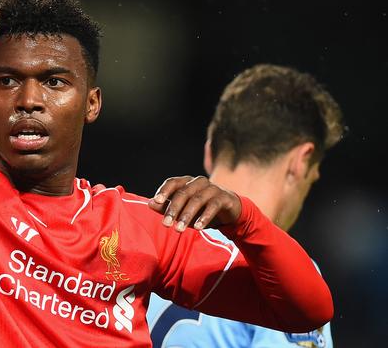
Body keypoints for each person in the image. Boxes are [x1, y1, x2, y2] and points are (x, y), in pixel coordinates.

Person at [0, 0, 333, 347]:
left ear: (92, 102)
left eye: (55, 82)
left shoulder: (143, 223)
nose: (28, 100)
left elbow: (305, 310)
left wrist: (246, 220)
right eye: (6, 80)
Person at [147, 64, 345, 348]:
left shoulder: (141, 242)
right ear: (301, 162)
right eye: (312, 179)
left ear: (209, 149)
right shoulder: (282, 282)